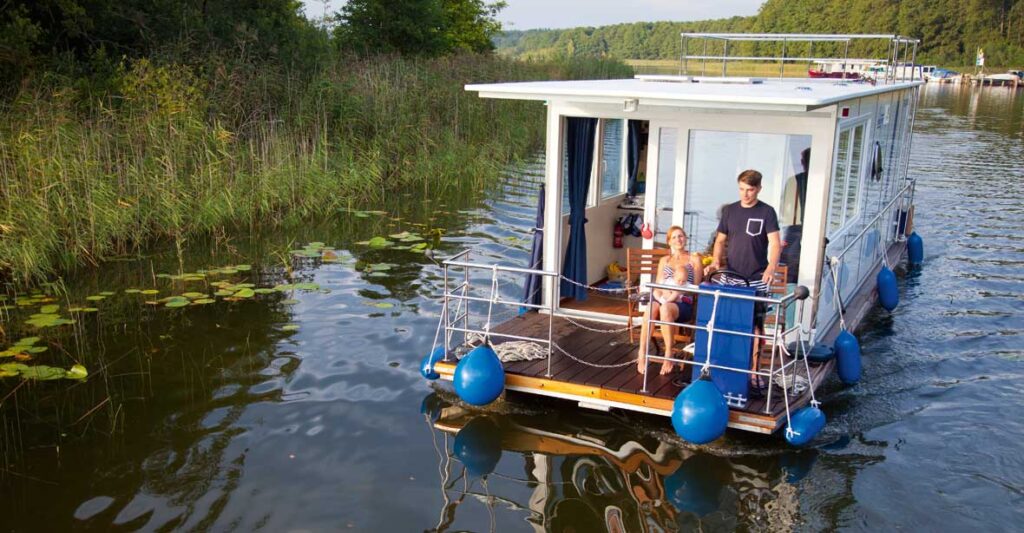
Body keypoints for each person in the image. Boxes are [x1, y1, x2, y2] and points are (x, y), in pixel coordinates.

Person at [707, 169, 781, 387]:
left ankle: (754, 372)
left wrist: (771, 268)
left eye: (749, 190)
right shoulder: (730, 211)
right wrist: (715, 261)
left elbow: (775, 243)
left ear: (758, 189)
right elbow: (720, 241)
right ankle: (725, 367)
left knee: (755, 326)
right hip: (731, 276)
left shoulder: (767, 212)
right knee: (726, 322)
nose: (745, 194)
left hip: (757, 277)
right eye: (741, 189)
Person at [636, 226, 703, 375]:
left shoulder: (694, 259)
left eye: (681, 236)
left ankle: (668, 354)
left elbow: (696, 288)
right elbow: (658, 285)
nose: (678, 240)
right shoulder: (664, 260)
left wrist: (677, 292)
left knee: (665, 309)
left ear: (685, 238)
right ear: (669, 242)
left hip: (682, 302)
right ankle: (642, 352)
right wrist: (665, 294)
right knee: (651, 308)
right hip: (663, 297)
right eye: (674, 237)